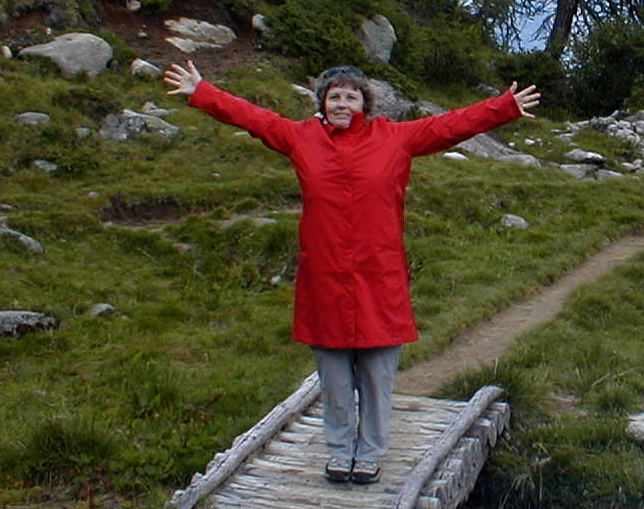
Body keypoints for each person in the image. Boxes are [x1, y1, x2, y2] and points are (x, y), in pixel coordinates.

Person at [163, 60, 539, 484]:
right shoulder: (301, 138)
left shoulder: (395, 138)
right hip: (324, 279)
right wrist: (202, 91)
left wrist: (504, 106)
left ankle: (371, 452)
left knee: (378, 377)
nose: (342, 103)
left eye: (351, 96)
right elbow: (253, 117)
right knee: (335, 378)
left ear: (365, 103)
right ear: (322, 103)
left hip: (379, 280)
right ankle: (340, 450)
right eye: (334, 96)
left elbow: (450, 125)